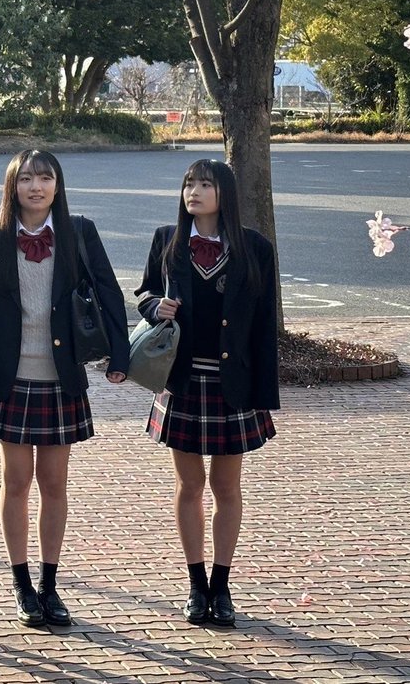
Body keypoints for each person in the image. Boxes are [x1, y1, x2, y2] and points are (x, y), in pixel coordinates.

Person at [0, 149, 130, 628]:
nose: (35, 187)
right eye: (26, 178)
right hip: (10, 379)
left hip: (62, 378)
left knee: (55, 483)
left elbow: (109, 292)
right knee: (16, 481)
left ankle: (49, 584)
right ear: (12, 185)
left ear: (57, 185)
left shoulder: (79, 232)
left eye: (44, 177)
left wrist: (119, 358)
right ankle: (21, 584)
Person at [134, 158, 278, 629]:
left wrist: (263, 392)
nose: (193, 192)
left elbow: (264, 326)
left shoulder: (255, 247)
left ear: (225, 193)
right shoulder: (168, 240)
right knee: (189, 484)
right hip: (182, 381)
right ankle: (196, 584)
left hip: (232, 385)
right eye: (189, 184)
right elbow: (144, 293)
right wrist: (155, 306)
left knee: (226, 486)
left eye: (205, 184)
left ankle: (222, 584)